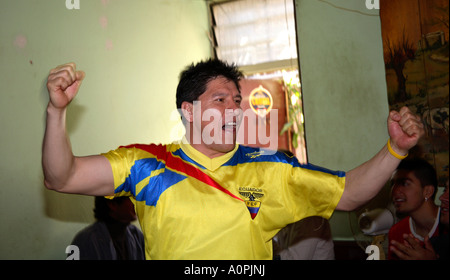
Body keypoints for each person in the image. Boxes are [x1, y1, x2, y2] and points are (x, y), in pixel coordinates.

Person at [43, 59, 424, 260]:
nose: (234, 110)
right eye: (220, 100)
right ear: (188, 111)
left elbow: (349, 193)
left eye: (237, 102)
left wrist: (396, 149)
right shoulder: (146, 164)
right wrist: (56, 112)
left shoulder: (270, 166)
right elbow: (62, 176)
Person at [387, 158, 442, 260]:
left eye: (404, 183)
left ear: (427, 191)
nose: (394, 191)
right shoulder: (396, 232)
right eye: (392, 184)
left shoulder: (446, 224)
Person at [70, 196, 145, 260]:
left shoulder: (136, 235)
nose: (138, 202)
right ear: (112, 204)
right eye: (132, 198)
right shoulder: (86, 241)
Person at [389, 179, 448, 260]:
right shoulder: (439, 242)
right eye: (445, 190)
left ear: (427, 191)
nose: (442, 197)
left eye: (405, 184)